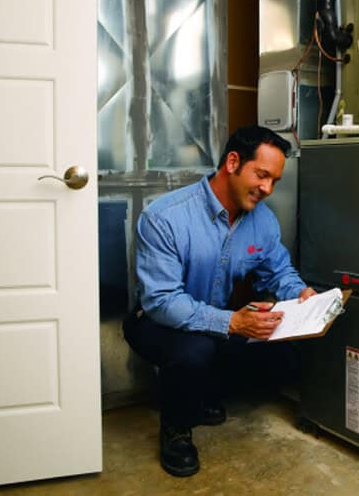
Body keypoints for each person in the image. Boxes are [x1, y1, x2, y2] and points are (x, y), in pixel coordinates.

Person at [123, 125, 316, 477]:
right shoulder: (165, 217)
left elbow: (277, 273)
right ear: (232, 162)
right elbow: (163, 302)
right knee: (194, 351)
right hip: (154, 321)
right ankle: (177, 428)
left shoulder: (263, 221)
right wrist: (232, 323)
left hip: (217, 320)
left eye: (274, 180)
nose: (267, 189)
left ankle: (202, 390)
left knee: (284, 354)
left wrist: (300, 294)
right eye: (261, 175)